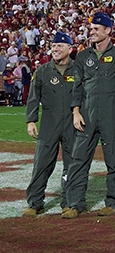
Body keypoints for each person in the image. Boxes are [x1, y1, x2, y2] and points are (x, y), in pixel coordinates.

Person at [64, 12, 115, 218]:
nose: (91, 32)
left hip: (112, 112)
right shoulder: (83, 56)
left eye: (96, 29)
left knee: (114, 160)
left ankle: (112, 202)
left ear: (108, 31)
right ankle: (75, 204)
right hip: (87, 114)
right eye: (90, 29)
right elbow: (76, 88)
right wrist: (75, 112)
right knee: (78, 160)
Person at [22, 32, 77, 217]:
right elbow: (32, 98)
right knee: (42, 164)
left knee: (72, 164)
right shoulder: (43, 71)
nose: (55, 48)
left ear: (70, 49)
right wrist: (30, 120)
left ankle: (69, 202)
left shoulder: (78, 70)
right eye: (53, 45)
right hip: (48, 123)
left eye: (60, 45)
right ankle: (35, 202)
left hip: (72, 123)